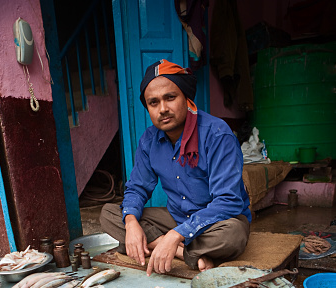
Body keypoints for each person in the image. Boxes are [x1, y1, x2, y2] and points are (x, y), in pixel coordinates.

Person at [100, 59, 251, 276]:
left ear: (186, 98)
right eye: (153, 103)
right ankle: (183, 253)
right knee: (110, 214)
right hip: (177, 216)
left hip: (218, 221)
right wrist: (132, 223)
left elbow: (228, 201)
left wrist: (175, 235)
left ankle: (157, 245)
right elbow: (137, 188)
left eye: (170, 98)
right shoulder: (149, 140)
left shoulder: (217, 134)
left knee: (233, 235)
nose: (163, 109)